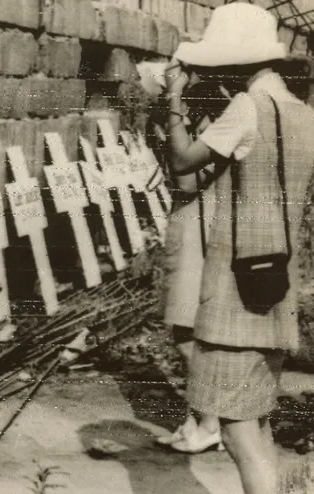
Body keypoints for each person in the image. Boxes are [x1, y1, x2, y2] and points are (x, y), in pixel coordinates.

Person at [164, 3, 314, 493]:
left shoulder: (247, 108)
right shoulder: (301, 113)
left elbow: (184, 166)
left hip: (234, 297)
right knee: (256, 424)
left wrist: (173, 102)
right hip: (274, 284)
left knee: (237, 431)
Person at [154, 85, 222, 453]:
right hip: (191, 225)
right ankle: (199, 420)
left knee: (187, 334)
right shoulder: (208, 120)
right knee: (190, 332)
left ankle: (210, 423)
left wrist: (174, 109)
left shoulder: (212, 123)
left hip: (199, 228)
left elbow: (185, 178)